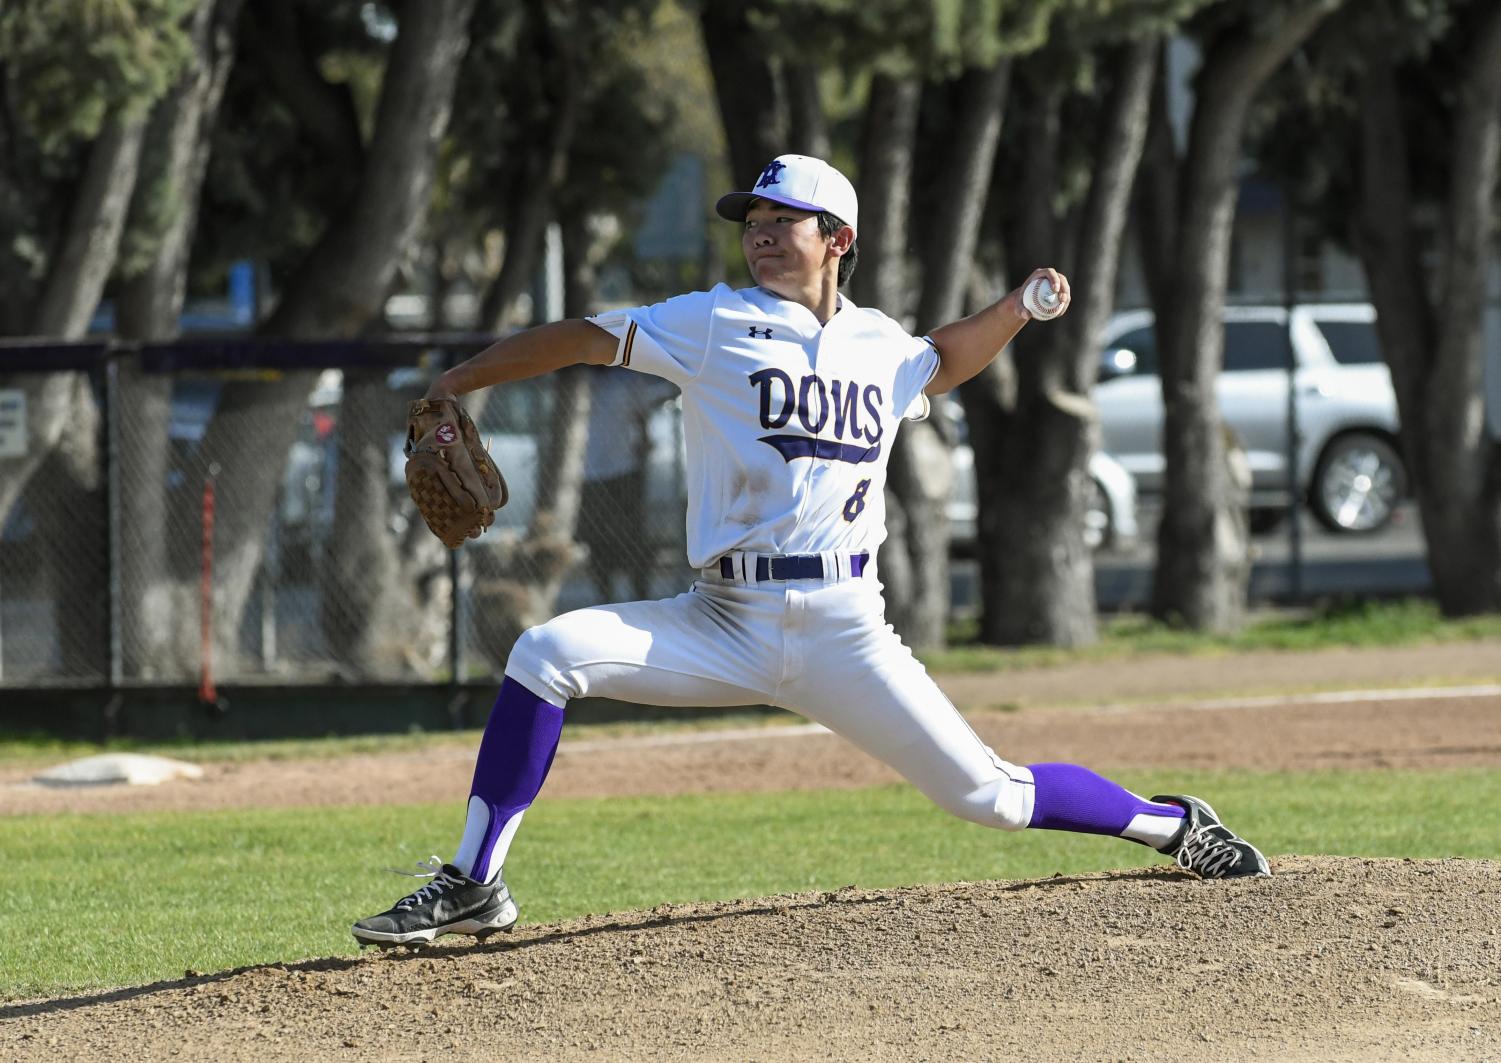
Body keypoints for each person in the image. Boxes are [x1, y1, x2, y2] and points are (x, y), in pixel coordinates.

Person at [353, 154, 1269, 949]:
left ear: (837, 238)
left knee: (989, 796)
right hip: (719, 618)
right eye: (751, 219)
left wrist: (1018, 309)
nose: (758, 232)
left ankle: (1171, 823)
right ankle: (475, 883)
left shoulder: (876, 345)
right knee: (545, 654)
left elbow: (941, 359)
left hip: (845, 629)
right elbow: (586, 337)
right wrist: (461, 377)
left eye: (780, 219)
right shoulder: (710, 321)